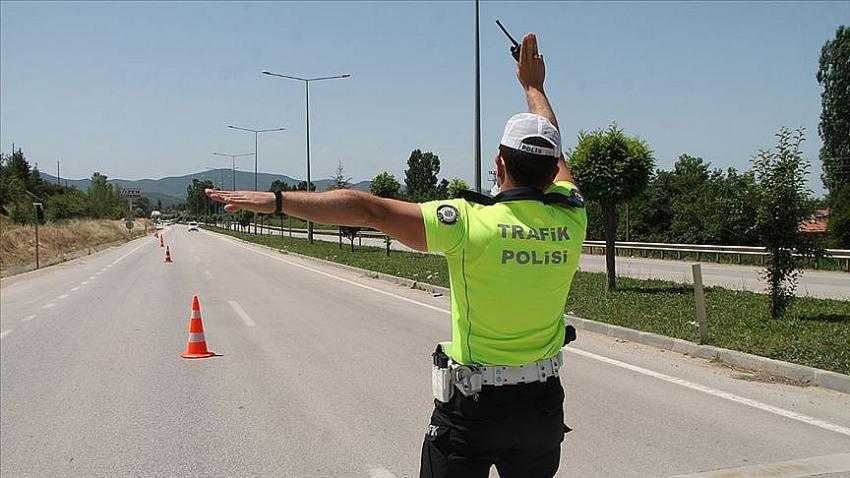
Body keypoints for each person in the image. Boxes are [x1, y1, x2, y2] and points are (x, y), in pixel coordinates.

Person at [206, 32, 587, 478]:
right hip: (541, 409)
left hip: (474, 411)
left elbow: (365, 207)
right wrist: (534, 88)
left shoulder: (466, 222)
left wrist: (276, 202)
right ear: (552, 170)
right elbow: (555, 149)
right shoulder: (571, 217)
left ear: (499, 165)